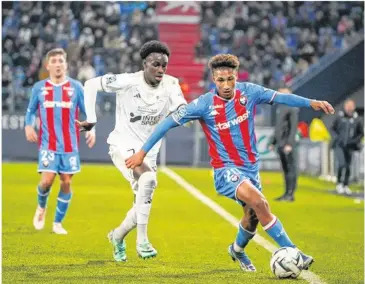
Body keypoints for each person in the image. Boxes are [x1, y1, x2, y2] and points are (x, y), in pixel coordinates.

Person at [125, 54, 335, 271]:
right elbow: (166, 124)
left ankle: (237, 249)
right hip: (225, 170)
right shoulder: (203, 104)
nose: (226, 85)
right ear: (213, 80)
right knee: (261, 202)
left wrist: (312, 103)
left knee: (252, 217)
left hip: (251, 168)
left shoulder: (249, 92)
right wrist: (142, 152)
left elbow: (282, 98)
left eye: (230, 79)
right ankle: (294, 252)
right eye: (220, 80)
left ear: (236, 76)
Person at [77, 40, 187, 261]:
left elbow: (181, 107)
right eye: (156, 64)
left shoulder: (171, 84)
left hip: (149, 151)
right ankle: (142, 240)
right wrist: (92, 118)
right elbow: (90, 84)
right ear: (145, 63)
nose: (161, 70)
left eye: (164, 65)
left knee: (141, 204)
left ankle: (117, 237)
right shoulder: (127, 81)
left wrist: (188, 113)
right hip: (123, 145)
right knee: (148, 179)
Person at [24, 48, 96, 235]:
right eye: (54, 61)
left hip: (70, 145)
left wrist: (91, 128)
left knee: (65, 182)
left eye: (61, 61)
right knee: (47, 181)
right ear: (48, 65)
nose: (57, 64)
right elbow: (31, 111)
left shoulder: (76, 87)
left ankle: (57, 223)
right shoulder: (39, 88)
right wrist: (28, 126)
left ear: (66, 64)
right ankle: (41, 208)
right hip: (48, 143)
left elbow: (88, 111)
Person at [269, 87, 299, 202]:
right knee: (286, 169)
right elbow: (278, 128)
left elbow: (293, 128)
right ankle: (286, 193)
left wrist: (290, 144)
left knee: (291, 168)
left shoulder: (292, 108)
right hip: (281, 143)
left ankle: (290, 194)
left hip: (287, 143)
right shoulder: (280, 107)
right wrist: (273, 141)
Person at [331, 99, 363, 195]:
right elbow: (332, 129)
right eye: (348, 106)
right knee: (341, 164)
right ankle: (339, 183)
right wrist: (337, 138)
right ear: (345, 107)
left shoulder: (357, 119)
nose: (349, 108)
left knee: (348, 166)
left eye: (351, 106)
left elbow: (361, 133)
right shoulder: (339, 117)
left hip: (350, 146)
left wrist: (354, 141)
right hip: (339, 145)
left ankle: (345, 185)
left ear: (353, 107)